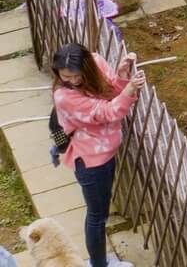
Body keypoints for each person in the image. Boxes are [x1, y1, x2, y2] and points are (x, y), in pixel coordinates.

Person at [50, 43, 143, 267]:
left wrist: (121, 76)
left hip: (104, 153)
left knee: (100, 212)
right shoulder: (64, 96)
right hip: (90, 161)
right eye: (64, 76)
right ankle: (99, 264)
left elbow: (110, 91)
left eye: (75, 75)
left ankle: (99, 262)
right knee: (97, 216)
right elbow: (107, 112)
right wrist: (129, 90)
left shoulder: (96, 62)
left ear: (87, 66)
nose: (71, 81)